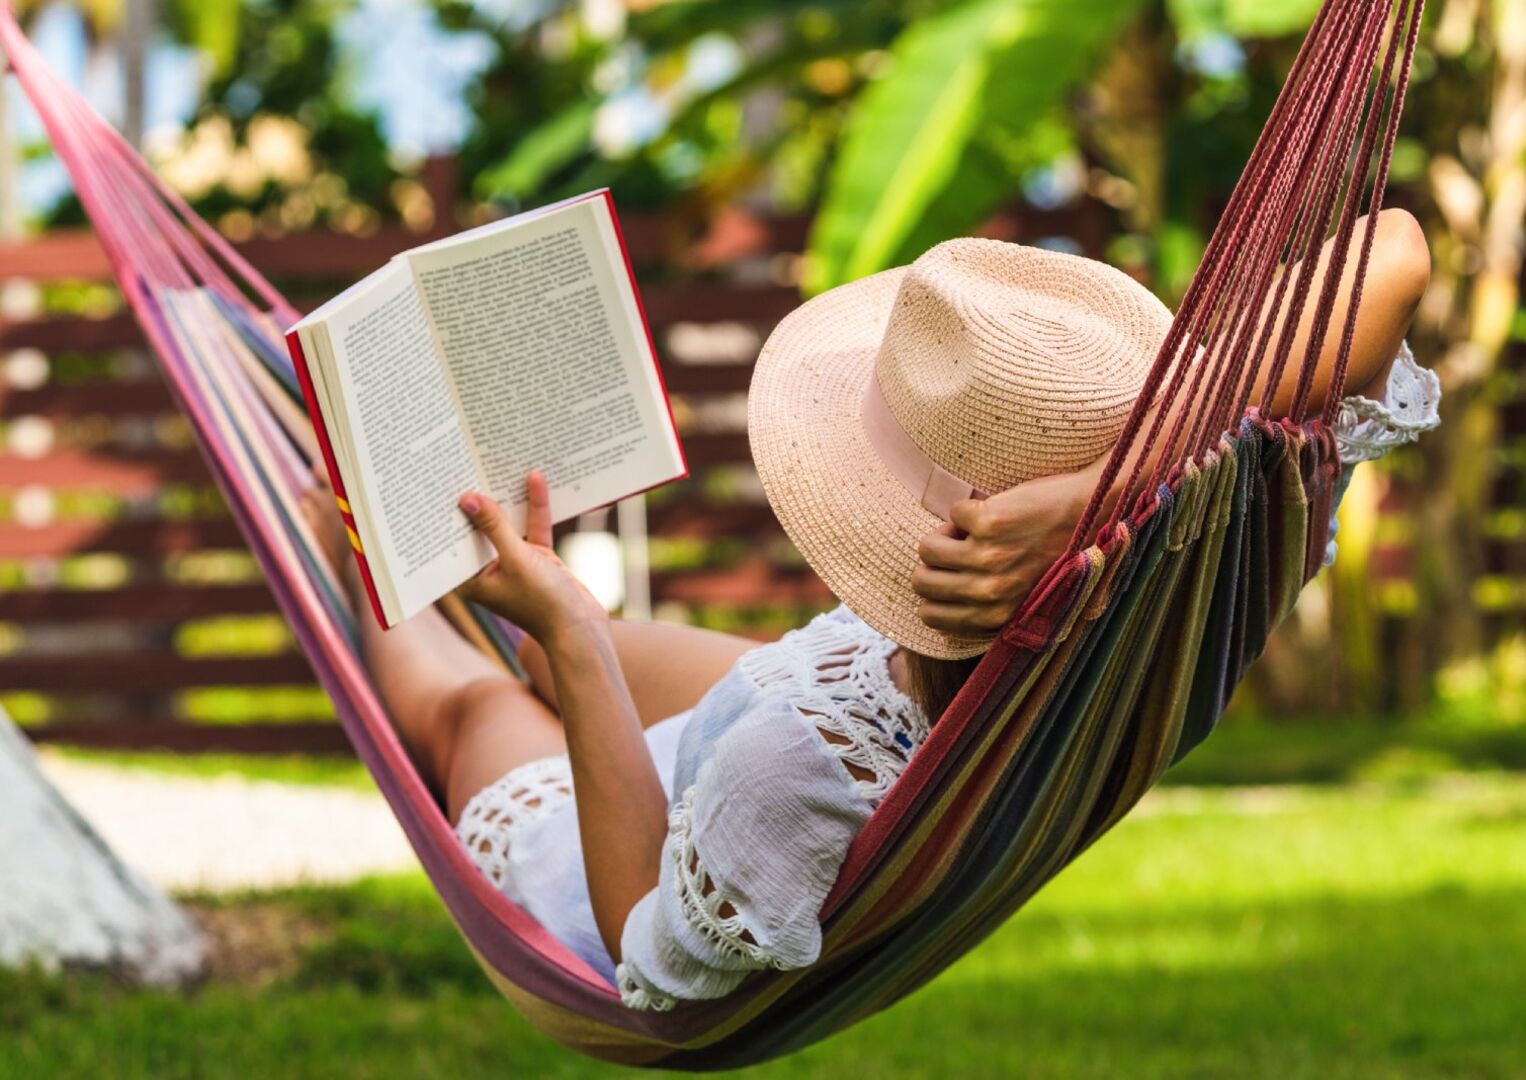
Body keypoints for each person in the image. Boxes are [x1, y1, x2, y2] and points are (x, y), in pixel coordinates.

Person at [300, 211, 1439, 1010]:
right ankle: (504, 598)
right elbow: (1393, 248)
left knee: (481, 703)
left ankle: (342, 541)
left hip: (651, 833)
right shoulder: (1205, 548)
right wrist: (1110, 490)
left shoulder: (791, 776)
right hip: (821, 684)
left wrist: (570, 637)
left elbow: (646, 950)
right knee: (545, 647)